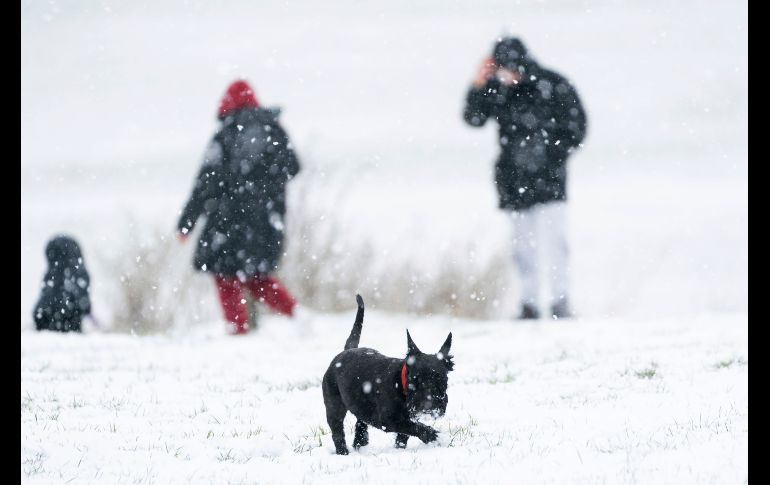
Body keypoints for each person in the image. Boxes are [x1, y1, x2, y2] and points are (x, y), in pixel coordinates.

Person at [463, 37, 587, 319]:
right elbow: (473, 118)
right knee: (522, 247)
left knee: (556, 243)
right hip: (512, 180)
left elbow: (577, 126)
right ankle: (529, 303)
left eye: (509, 69)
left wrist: (550, 155)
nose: (507, 76)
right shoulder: (497, 88)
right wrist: (478, 83)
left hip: (550, 180)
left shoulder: (553, 84)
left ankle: (560, 301)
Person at [177, 80, 300, 334]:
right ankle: (298, 316)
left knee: (226, 277)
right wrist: (264, 187)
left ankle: (237, 329)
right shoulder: (274, 130)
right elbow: (293, 166)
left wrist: (186, 223)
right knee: (257, 277)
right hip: (267, 221)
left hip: (228, 221)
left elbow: (205, 182)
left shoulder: (226, 135)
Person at [33, 235, 92, 332]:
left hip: (46, 321)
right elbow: (84, 303)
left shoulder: (51, 274)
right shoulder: (79, 273)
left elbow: (42, 306)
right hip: (72, 322)